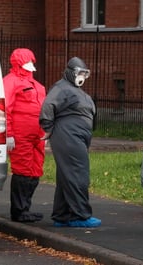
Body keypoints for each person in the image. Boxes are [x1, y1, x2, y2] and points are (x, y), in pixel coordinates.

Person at [39, 57, 101, 228]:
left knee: (67, 175)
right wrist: (48, 127)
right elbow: (48, 106)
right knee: (77, 173)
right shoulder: (61, 88)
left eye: (84, 74)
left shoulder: (71, 89)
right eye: (79, 73)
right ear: (70, 73)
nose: (81, 77)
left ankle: (62, 215)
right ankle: (80, 215)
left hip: (75, 136)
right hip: (68, 136)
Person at [3, 48, 46, 222]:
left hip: (38, 134)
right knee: (22, 170)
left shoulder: (35, 84)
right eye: (27, 61)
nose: (31, 64)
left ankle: (25, 208)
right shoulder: (10, 82)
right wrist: (9, 134)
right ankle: (19, 211)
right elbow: (5, 108)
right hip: (21, 134)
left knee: (35, 170)